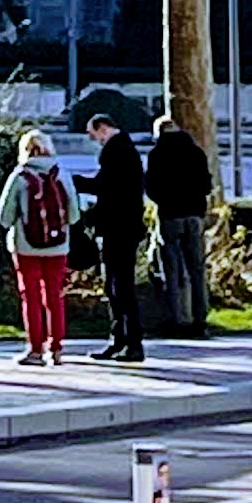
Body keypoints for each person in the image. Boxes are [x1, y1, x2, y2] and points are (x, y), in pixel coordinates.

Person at [0, 128, 79, 363]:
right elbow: (74, 215)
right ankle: (56, 348)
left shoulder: (20, 177)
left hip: (25, 246)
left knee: (30, 296)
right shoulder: (62, 174)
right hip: (58, 246)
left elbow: (3, 217)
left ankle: (35, 349)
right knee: (54, 295)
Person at [88, 111, 150, 363]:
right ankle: (121, 340)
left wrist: (73, 182)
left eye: (94, 135)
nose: (94, 140)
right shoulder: (127, 150)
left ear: (103, 128)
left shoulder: (115, 151)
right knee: (116, 286)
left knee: (119, 287)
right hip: (125, 227)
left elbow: (105, 188)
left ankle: (129, 342)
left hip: (118, 228)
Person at [146, 109, 215, 336]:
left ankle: (180, 319)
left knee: (174, 270)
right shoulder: (196, 152)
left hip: (171, 215)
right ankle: (200, 319)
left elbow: (152, 187)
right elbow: (206, 185)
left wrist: (165, 200)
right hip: (195, 215)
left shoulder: (157, 154)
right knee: (197, 268)